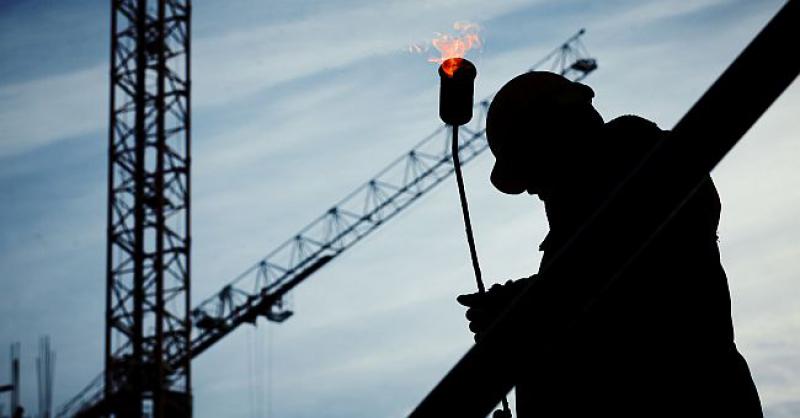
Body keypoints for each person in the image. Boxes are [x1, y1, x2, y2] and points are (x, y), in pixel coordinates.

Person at [457, 71, 762, 417]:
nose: (530, 189)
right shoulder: (585, 233)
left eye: (530, 167)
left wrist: (522, 312)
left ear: (554, 136)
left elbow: (625, 296)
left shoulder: (650, 172)